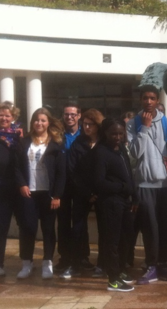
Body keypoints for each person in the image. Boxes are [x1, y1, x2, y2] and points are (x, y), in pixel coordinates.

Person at [126, 87, 167, 284]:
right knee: (149, 228)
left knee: (166, 227)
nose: (148, 101)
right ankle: (151, 265)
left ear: (157, 100)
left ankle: (163, 264)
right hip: (145, 184)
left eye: (152, 98)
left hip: (166, 185)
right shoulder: (133, 124)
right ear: (140, 100)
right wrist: (145, 127)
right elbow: (135, 153)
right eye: (145, 98)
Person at [14, 108, 66, 280]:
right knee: (27, 227)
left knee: (48, 229)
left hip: (48, 193)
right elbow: (16, 166)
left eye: (43, 120)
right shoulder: (24, 142)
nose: (39, 123)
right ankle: (26, 262)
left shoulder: (56, 143)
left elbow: (61, 172)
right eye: (36, 120)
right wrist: (22, 184)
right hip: (29, 192)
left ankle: (47, 262)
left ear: (48, 122)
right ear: (32, 122)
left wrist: (57, 195)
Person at [94, 118, 136, 292]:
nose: (117, 137)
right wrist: (121, 187)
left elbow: (129, 174)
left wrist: (134, 195)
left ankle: (120, 270)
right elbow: (98, 182)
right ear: (105, 133)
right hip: (110, 202)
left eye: (120, 133)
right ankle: (113, 279)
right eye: (113, 134)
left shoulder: (121, 149)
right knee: (111, 241)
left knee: (125, 238)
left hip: (125, 201)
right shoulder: (101, 152)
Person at [67, 108, 105, 277]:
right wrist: (87, 192)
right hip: (81, 191)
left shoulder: (105, 142)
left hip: (102, 192)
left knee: (104, 228)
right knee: (78, 227)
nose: (87, 127)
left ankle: (103, 263)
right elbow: (72, 169)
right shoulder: (78, 142)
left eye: (91, 124)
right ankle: (77, 262)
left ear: (98, 125)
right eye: (85, 124)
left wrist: (98, 191)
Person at [0, 101, 21, 277]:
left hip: (19, 188)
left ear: (13, 117)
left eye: (7, 115)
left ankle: (27, 262)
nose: (4, 118)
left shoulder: (19, 137)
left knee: (25, 225)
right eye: (1, 115)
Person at [57, 102, 90, 277]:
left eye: (72, 114)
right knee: (63, 222)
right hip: (62, 185)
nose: (69, 117)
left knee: (80, 222)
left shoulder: (85, 135)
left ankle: (82, 256)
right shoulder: (57, 135)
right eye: (66, 114)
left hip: (80, 185)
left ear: (79, 115)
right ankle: (65, 257)